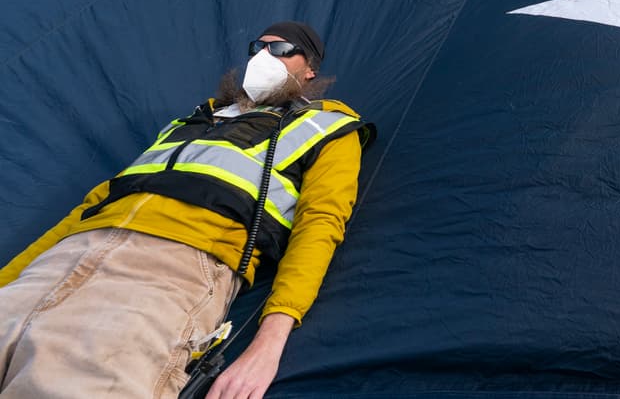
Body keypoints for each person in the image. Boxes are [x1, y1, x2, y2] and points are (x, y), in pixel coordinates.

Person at [0, 21, 375, 399]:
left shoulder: (327, 126)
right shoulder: (192, 120)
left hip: (170, 272)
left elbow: (320, 225)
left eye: (280, 50)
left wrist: (267, 345)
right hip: (65, 257)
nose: (263, 57)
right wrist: (8, 280)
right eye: (257, 47)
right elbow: (91, 205)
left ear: (309, 68)